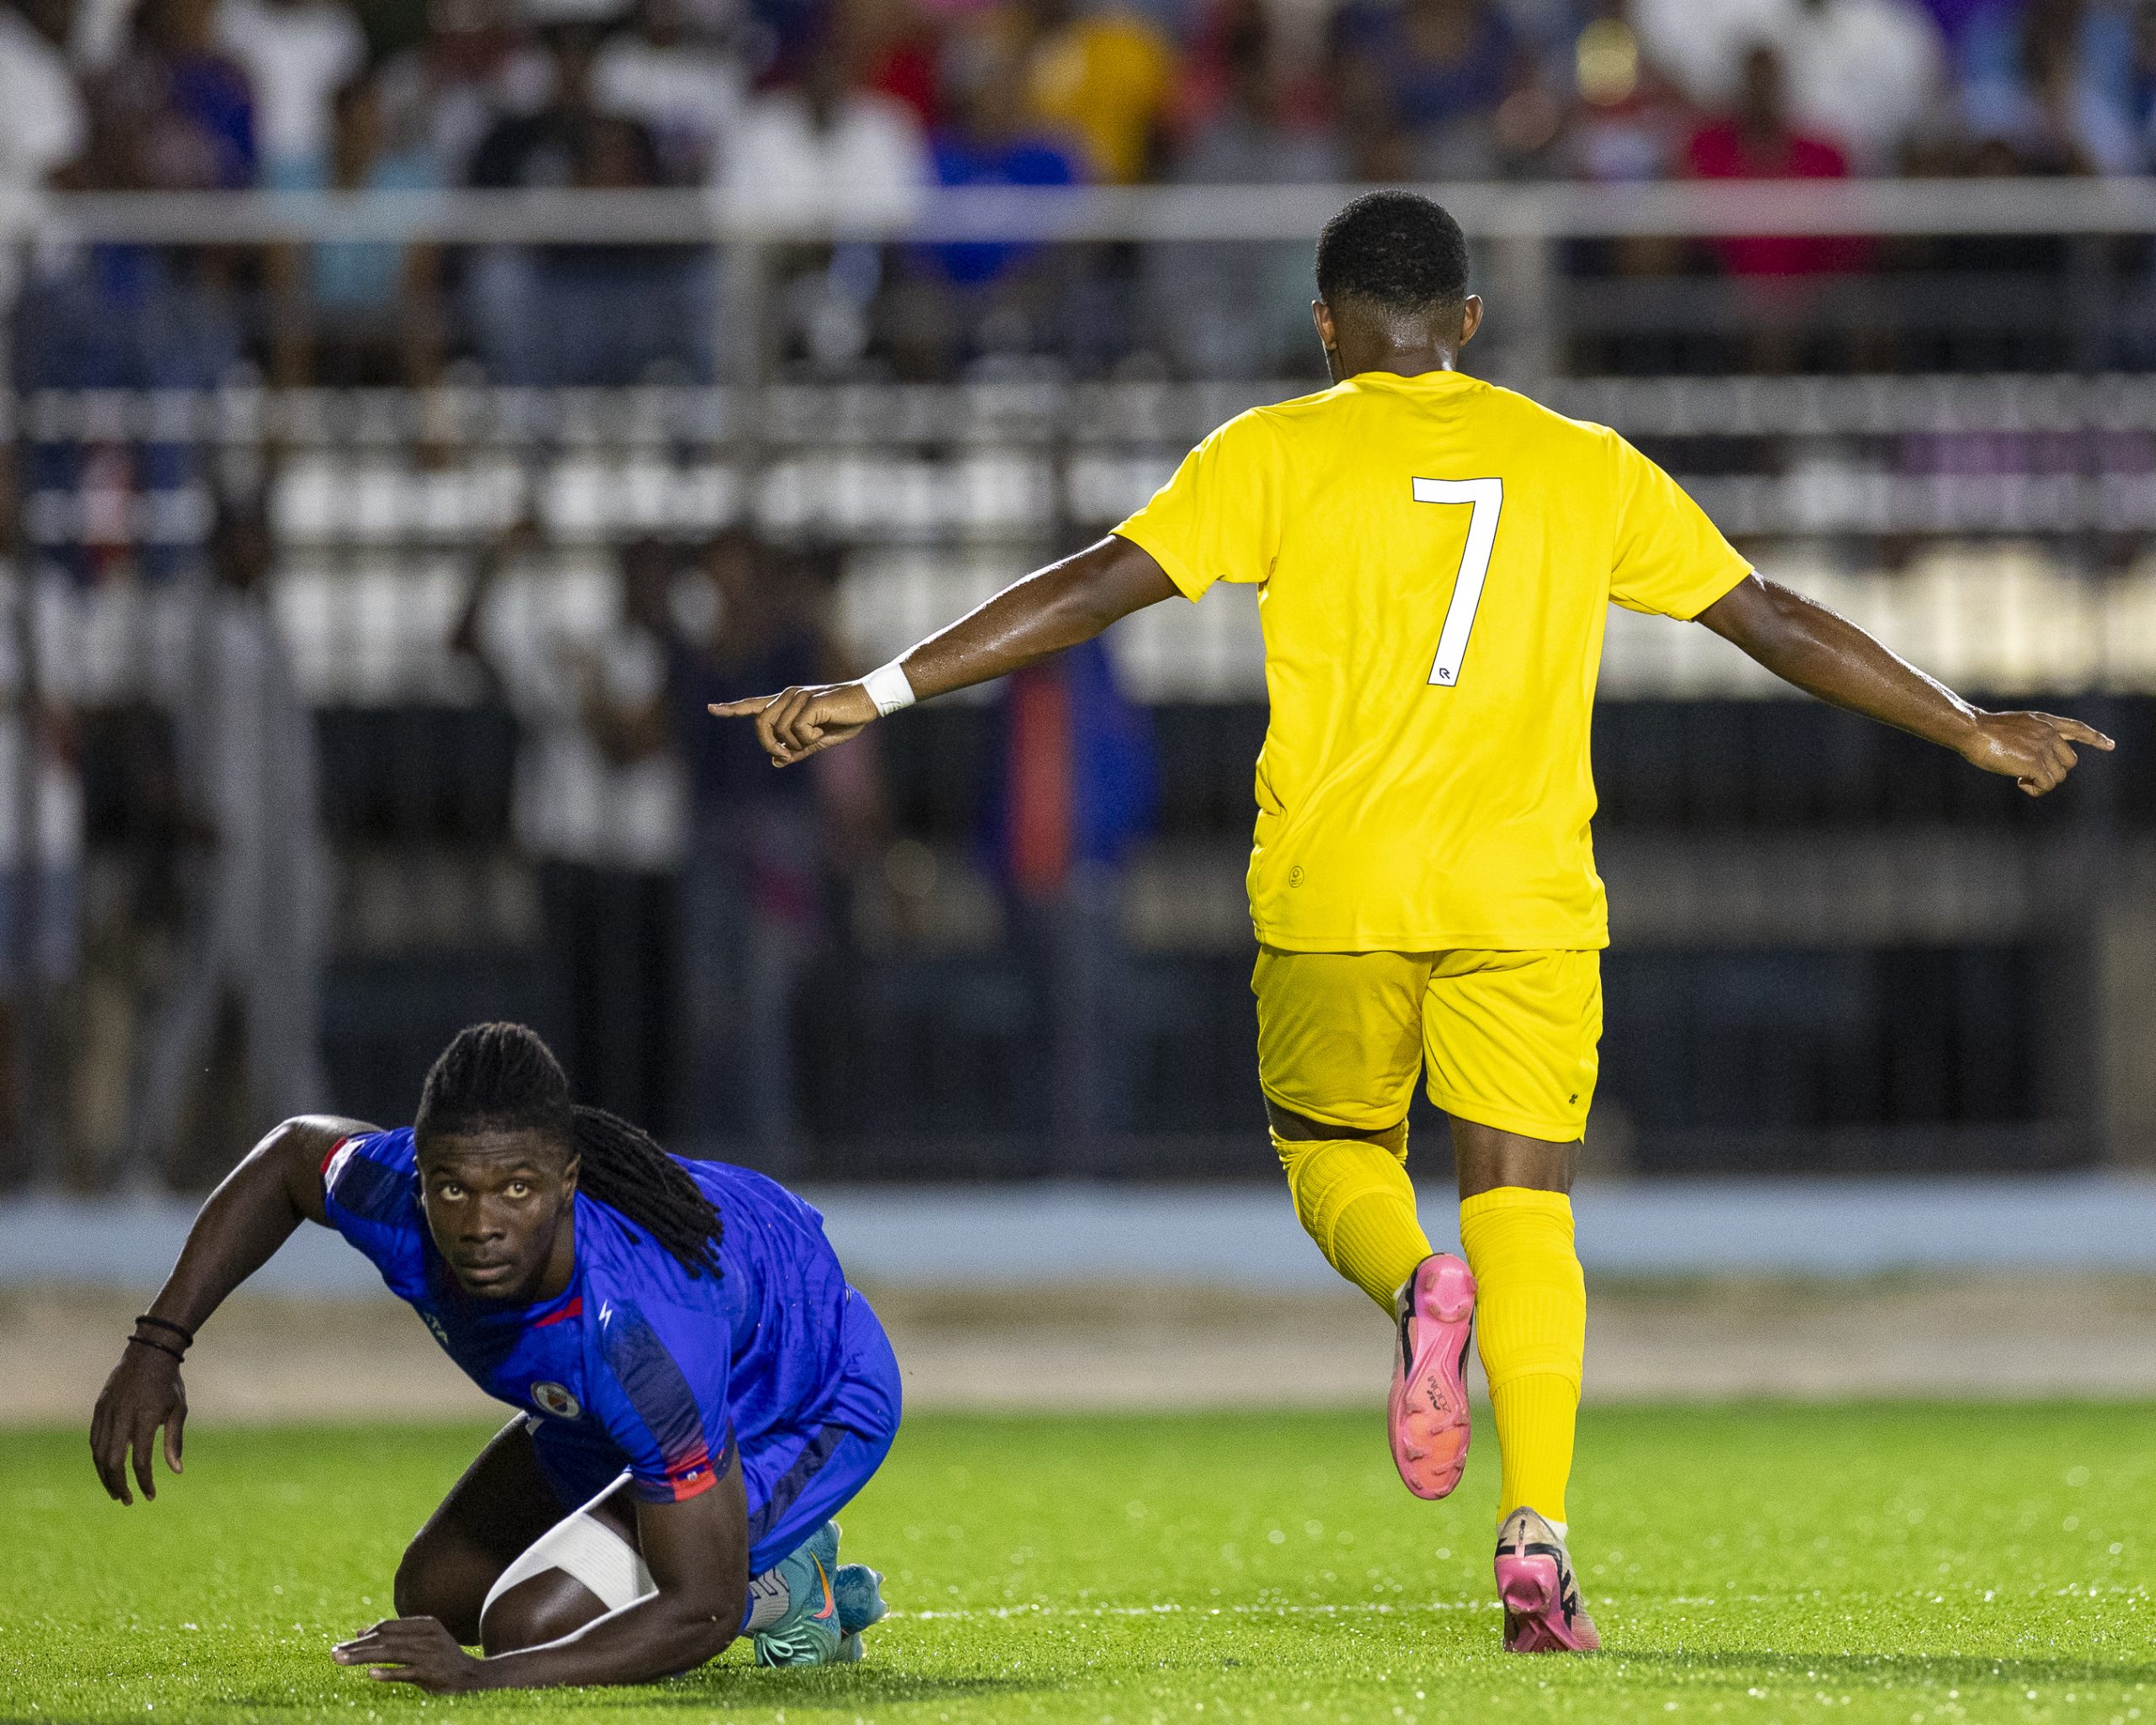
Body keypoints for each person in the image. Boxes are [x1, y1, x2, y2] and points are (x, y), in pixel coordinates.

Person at [712, 190, 2116, 1653]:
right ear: (1470, 324)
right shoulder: (1583, 463)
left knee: (1332, 1155)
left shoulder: (1271, 451)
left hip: (1338, 889)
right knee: (1528, 1205)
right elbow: (1764, 615)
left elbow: (1088, 590)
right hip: (1524, 896)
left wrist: (874, 688)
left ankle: (1408, 1283)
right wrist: (1963, 723)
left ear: (1325, 326)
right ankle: (1539, 1533)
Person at [89, 1019, 899, 1687]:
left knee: (523, 1629)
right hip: (606, 1401)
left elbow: (700, 1610)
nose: (481, 1224)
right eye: (454, 1188)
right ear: (424, 1175)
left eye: (517, 1189)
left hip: (800, 1396)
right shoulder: (392, 1193)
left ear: (567, 1181)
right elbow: (292, 1158)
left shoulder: (637, 1333)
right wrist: (158, 1348)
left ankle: (787, 1584)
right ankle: (724, 1542)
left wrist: (484, 1681)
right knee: (435, 1592)